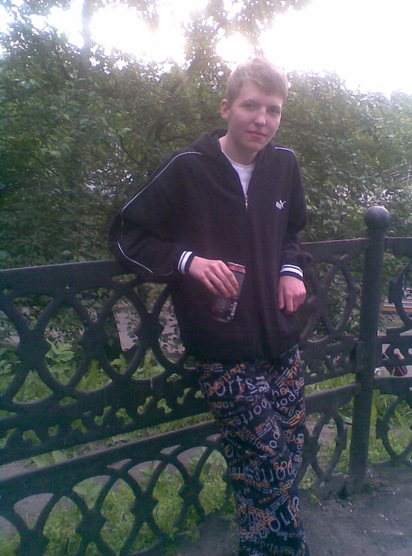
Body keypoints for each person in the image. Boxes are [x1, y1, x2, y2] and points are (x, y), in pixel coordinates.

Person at [109, 56, 311, 556]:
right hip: (222, 350)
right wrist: (188, 262)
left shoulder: (284, 165)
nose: (262, 119)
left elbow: (293, 232)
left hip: (281, 340)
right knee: (269, 456)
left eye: (273, 110)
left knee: (280, 452)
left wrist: (292, 269)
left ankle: (259, 546)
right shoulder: (188, 168)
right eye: (250, 106)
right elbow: (127, 235)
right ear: (226, 108)